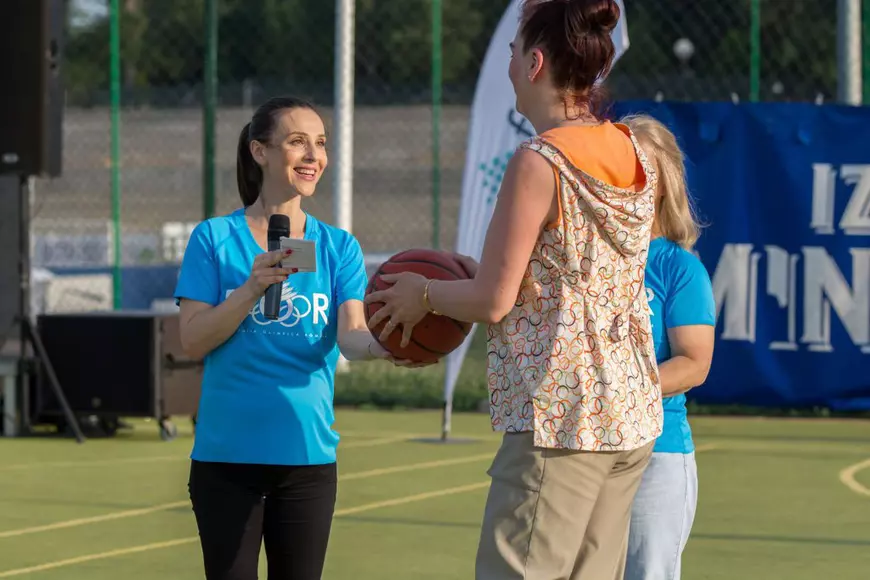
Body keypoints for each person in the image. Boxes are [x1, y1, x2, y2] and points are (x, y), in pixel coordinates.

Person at [365, 1, 663, 578]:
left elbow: (492, 300)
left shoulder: (539, 161)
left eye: (511, 53)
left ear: (535, 62)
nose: (506, 66)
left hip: (562, 416)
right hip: (630, 411)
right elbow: (578, 273)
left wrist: (422, 295)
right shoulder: (634, 150)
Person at [174, 96, 415, 580]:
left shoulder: (338, 246)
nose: (313, 156)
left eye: (320, 144)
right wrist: (250, 289)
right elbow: (193, 341)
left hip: (306, 458)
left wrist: (390, 345)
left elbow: (351, 336)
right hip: (227, 458)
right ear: (259, 152)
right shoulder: (213, 238)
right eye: (298, 142)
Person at [620, 114, 716, 580]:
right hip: (584, 452)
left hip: (656, 454)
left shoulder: (678, 268)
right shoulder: (584, 259)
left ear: (665, 184)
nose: (630, 179)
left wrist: (617, 391)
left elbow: (694, 364)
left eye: (643, 169)